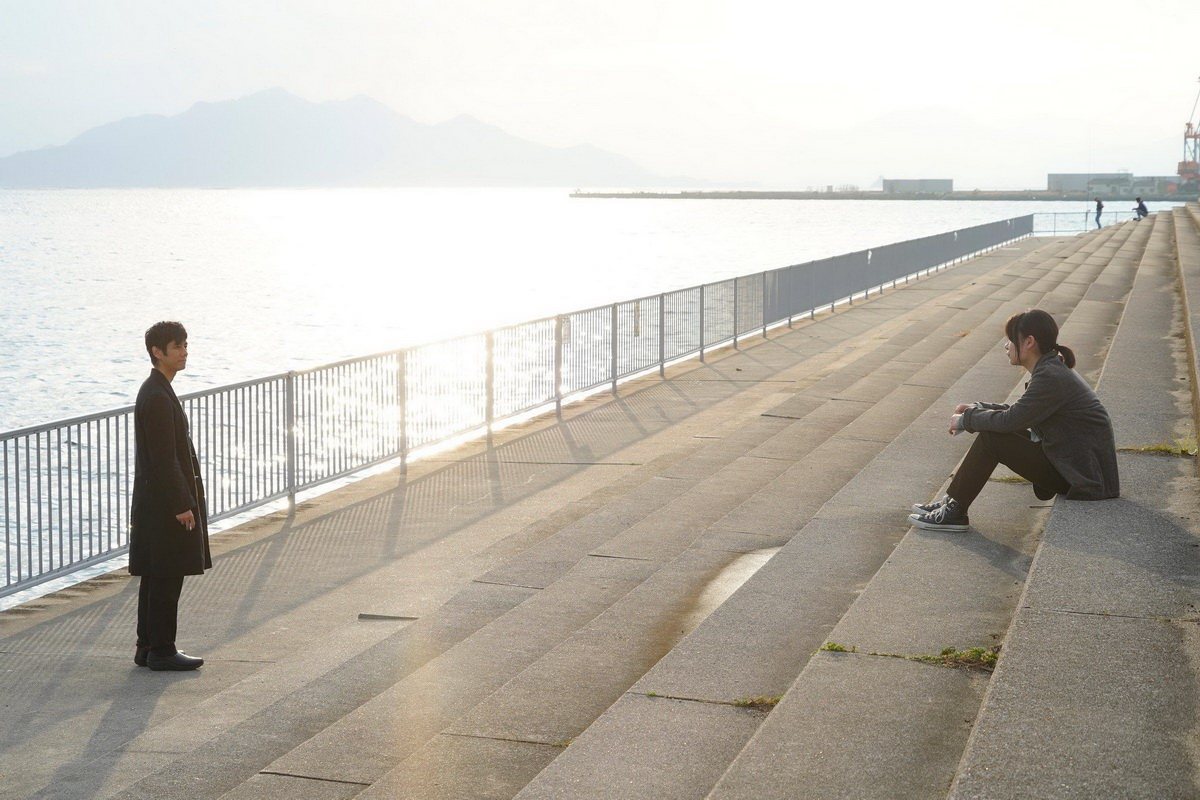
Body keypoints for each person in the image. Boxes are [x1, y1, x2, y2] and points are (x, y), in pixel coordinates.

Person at [909, 309, 1119, 532]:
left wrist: (965, 421)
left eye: (1011, 340)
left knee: (993, 439)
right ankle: (953, 502)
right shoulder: (1051, 369)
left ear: (1029, 342)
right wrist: (977, 408)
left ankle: (955, 510)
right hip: (1077, 468)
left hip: (1083, 478)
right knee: (996, 432)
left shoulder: (1051, 377)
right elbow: (1021, 413)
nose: (1006, 346)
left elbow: (1011, 420)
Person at [129, 321, 211, 670]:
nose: (184, 352)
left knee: (155, 574)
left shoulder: (156, 390)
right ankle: (162, 650)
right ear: (156, 352)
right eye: (177, 347)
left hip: (153, 501)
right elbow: (164, 459)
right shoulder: (158, 396)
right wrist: (182, 505)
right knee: (166, 575)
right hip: (164, 504)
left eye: (185, 345)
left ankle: (148, 647)